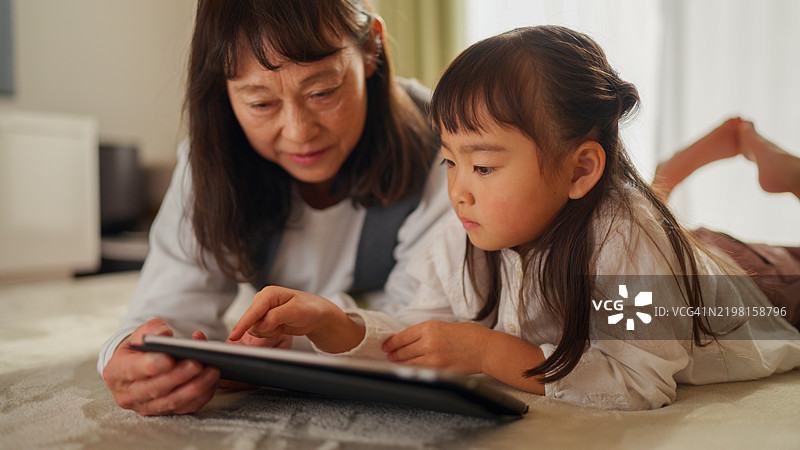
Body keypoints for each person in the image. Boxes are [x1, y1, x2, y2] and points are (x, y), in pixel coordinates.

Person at [229, 25, 800, 411]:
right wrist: (337, 324)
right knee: (664, 211)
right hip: (682, 255)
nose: (457, 191)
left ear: (580, 170)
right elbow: (420, 331)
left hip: (752, 284)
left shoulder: (625, 239)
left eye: (482, 166)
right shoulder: (468, 234)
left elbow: (638, 381)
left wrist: (489, 352)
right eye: (449, 161)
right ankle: (717, 150)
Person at [99, 0, 450, 416]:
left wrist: (302, 339)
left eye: (323, 92)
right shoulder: (212, 160)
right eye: (261, 104)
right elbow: (167, 305)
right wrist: (133, 356)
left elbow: (431, 326)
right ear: (223, 89)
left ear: (371, 46)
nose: (299, 132)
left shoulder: (446, 149)